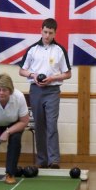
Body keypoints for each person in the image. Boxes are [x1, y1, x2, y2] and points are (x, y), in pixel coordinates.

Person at [19, 18, 72, 169]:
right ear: (40, 31)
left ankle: (54, 160)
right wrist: (32, 76)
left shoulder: (59, 50)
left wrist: (52, 78)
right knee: (39, 125)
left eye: (50, 33)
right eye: (45, 32)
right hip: (36, 90)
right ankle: (41, 159)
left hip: (52, 91)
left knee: (51, 124)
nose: (47, 35)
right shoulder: (32, 49)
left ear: (55, 33)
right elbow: (22, 70)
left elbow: (68, 74)